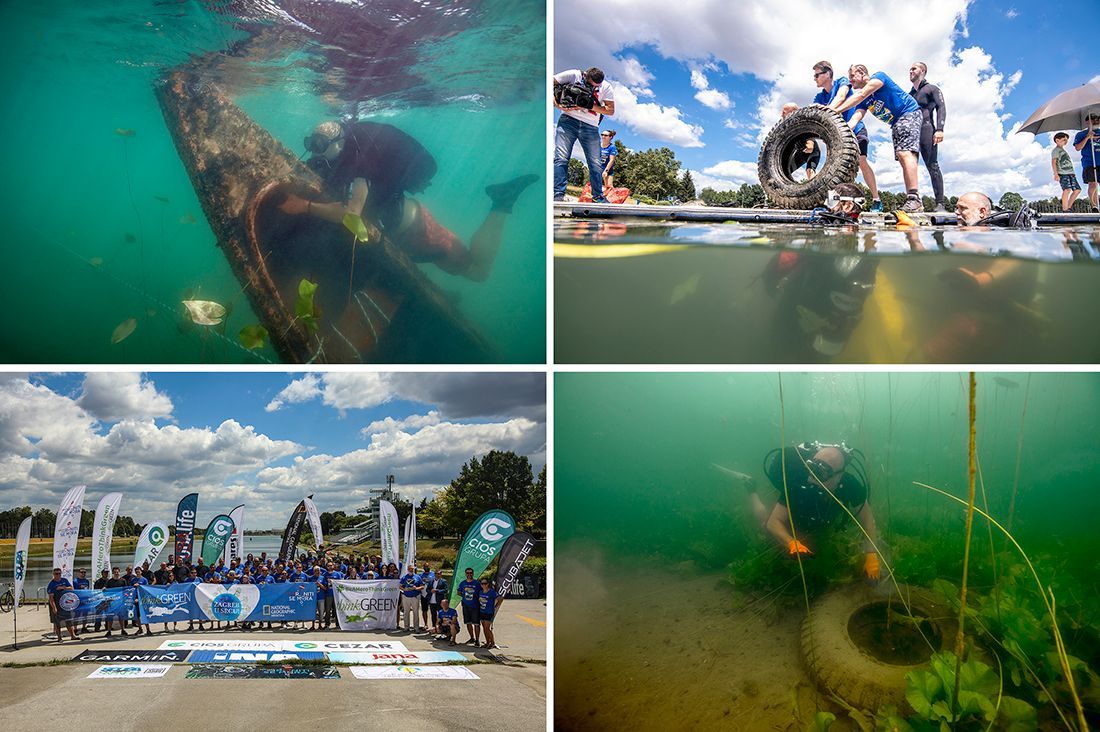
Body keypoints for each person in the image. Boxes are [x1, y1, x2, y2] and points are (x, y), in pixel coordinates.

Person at [280, 120, 537, 281]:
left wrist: (305, 206)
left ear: (338, 143)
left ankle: (502, 201)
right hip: (405, 220)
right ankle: (502, 202)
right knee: (475, 270)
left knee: (478, 272)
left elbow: (352, 215)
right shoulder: (339, 157)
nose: (314, 149)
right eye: (310, 143)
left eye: (319, 144)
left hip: (416, 231)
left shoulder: (361, 169)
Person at [737, 442, 882, 582]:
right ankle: (751, 489)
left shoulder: (851, 485)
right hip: (796, 516)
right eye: (811, 469)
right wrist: (791, 543)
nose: (812, 478)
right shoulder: (800, 482)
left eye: (821, 474)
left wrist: (871, 554)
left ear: (839, 475)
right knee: (764, 526)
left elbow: (867, 520)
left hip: (819, 519)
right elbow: (773, 522)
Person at [835, 65, 924, 213]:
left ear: (862, 73)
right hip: (896, 122)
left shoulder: (879, 77)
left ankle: (914, 199)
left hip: (909, 113)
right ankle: (912, 200)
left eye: (852, 76)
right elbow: (854, 120)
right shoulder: (865, 101)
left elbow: (861, 94)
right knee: (902, 157)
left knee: (905, 153)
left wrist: (835, 110)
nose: (850, 81)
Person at [811, 61, 881, 211]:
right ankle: (834, 204)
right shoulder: (819, 97)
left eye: (817, 75)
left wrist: (827, 110)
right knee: (833, 169)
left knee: (862, 161)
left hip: (856, 130)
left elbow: (841, 97)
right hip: (837, 138)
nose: (814, 78)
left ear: (828, 74)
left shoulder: (842, 82)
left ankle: (876, 200)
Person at [553, 66, 616, 203]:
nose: (594, 88)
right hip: (568, 121)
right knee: (561, 158)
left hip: (591, 126)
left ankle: (598, 196)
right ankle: (558, 194)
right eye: (590, 85)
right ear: (585, 76)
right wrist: (557, 104)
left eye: (596, 86)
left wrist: (589, 105)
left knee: (595, 162)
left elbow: (610, 111)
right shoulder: (573, 75)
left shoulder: (606, 87)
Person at [908, 62, 947, 211]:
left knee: (932, 165)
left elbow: (941, 107)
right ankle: (913, 201)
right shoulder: (910, 94)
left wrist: (940, 129)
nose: (910, 71)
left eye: (914, 68)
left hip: (927, 129)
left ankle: (940, 203)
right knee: (910, 166)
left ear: (923, 71)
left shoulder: (932, 89)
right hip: (912, 132)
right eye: (910, 69)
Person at [780, 103, 821, 181]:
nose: (781, 115)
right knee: (784, 171)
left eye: (784, 113)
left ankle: (816, 191)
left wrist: (804, 148)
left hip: (812, 152)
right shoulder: (785, 129)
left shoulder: (804, 126)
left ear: (792, 113)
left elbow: (810, 148)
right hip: (799, 154)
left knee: (809, 171)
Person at [1073, 114, 1100, 211]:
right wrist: (1087, 137)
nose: (1096, 121)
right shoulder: (1081, 134)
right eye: (1093, 120)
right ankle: (1095, 207)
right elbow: (1078, 148)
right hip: (1089, 163)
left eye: (1097, 120)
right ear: (1087, 122)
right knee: (1092, 184)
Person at [47, 568, 79, 643]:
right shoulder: (51, 584)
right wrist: (54, 608)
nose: (58, 575)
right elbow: (51, 598)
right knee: (57, 622)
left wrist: (63, 588)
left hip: (65, 604)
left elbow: (71, 588)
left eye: (59, 573)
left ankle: (72, 636)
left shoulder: (64, 580)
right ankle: (59, 638)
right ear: (53, 574)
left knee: (68, 620)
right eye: (56, 574)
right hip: (56, 604)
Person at [1053, 133, 1083, 212]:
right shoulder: (1056, 150)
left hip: (1070, 173)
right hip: (1063, 173)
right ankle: (1065, 209)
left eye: (1066, 140)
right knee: (1067, 189)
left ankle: (1068, 207)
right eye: (1064, 140)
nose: (1066, 142)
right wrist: (1056, 174)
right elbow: (1053, 162)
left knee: (1077, 190)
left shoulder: (1063, 150)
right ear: (1057, 140)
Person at [457, 567, 482, 646]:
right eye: (467, 573)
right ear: (465, 574)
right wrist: (464, 596)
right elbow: (459, 592)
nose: (469, 574)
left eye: (470, 573)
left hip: (475, 606)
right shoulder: (463, 583)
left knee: (476, 624)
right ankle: (472, 638)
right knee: (468, 623)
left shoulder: (477, 583)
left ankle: (477, 640)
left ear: (473, 574)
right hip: (465, 605)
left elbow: (481, 592)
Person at [477, 578, 501, 650]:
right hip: (482, 612)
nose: (483, 585)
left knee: (487, 628)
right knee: (484, 628)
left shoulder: (491, 592)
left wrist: (495, 606)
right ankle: (487, 642)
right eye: (482, 584)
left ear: (488, 584)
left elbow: (500, 598)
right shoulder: (480, 592)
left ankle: (492, 642)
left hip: (489, 612)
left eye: (485, 583)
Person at [399, 565, 424, 633]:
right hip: (406, 597)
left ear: (414, 569)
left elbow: (422, 586)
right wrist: (405, 589)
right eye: (410, 569)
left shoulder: (418, 577)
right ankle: (406, 627)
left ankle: (416, 628)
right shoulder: (404, 577)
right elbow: (400, 586)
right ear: (407, 569)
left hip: (415, 597)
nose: (411, 570)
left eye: (412, 569)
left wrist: (416, 588)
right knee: (406, 612)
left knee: (416, 612)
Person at [105, 567, 129, 637]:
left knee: (121, 616)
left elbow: (126, 590)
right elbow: (106, 590)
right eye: (115, 572)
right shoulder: (109, 581)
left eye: (117, 572)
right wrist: (104, 589)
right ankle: (109, 631)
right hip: (112, 602)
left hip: (120, 601)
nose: (116, 573)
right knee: (110, 617)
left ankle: (123, 629)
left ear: (119, 572)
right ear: (113, 573)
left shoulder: (123, 580)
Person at [131, 567, 151, 635]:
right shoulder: (133, 580)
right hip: (135, 599)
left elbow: (147, 589)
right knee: (137, 616)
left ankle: (148, 629)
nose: (137, 572)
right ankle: (140, 629)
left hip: (142, 599)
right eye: (136, 571)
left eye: (138, 571)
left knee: (144, 614)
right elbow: (130, 589)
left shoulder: (144, 580)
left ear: (141, 572)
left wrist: (140, 586)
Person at [92, 569, 109, 634]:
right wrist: (101, 590)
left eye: (107, 573)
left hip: (107, 599)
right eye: (105, 573)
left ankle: (107, 626)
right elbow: (95, 591)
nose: (106, 574)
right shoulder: (98, 581)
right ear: (102, 573)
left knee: (108, 613)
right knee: (98, 614)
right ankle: (97, 627)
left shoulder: (109, 581)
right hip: (99, 600)